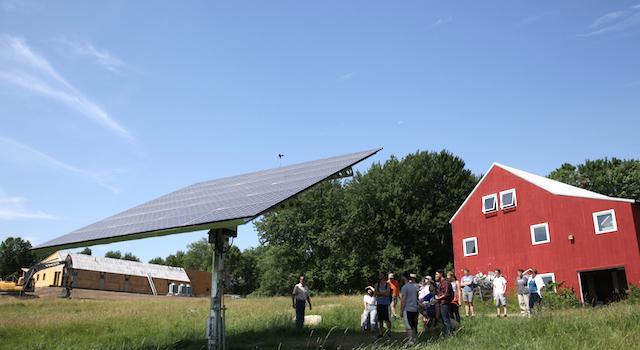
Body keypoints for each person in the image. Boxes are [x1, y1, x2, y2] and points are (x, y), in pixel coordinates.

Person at [400, 272, 420, 343]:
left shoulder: (404, 287)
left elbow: (403, 300)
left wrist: (401, 310)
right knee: (413, 325)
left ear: (404, 278)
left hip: (407, 309)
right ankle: (415, 339)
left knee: (408, 326)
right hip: (414, 308)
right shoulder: (414, 287)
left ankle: (410, 341)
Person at [434, 270, 453, 337]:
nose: (435, 276)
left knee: (446, 320)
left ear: (441, 274)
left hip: (444, 303)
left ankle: (449, 334)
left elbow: (446, 294)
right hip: (440, 303)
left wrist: (438, 298)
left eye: (437, 274)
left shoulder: (445, 283)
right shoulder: (440, 283)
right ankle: (444, 334)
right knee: (442, 320)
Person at [374, 272, 393, 337]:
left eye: (381, 275)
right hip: (379, 303)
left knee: (387, 319)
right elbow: (375, 293)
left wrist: (379, 293)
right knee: (380, 319)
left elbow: (387, 294)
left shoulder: (387, 284)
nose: (379, 276)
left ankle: (389, 331)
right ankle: (381, 333)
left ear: (384, 276)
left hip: (386, 304)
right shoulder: (377, 284)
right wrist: (383, 293)